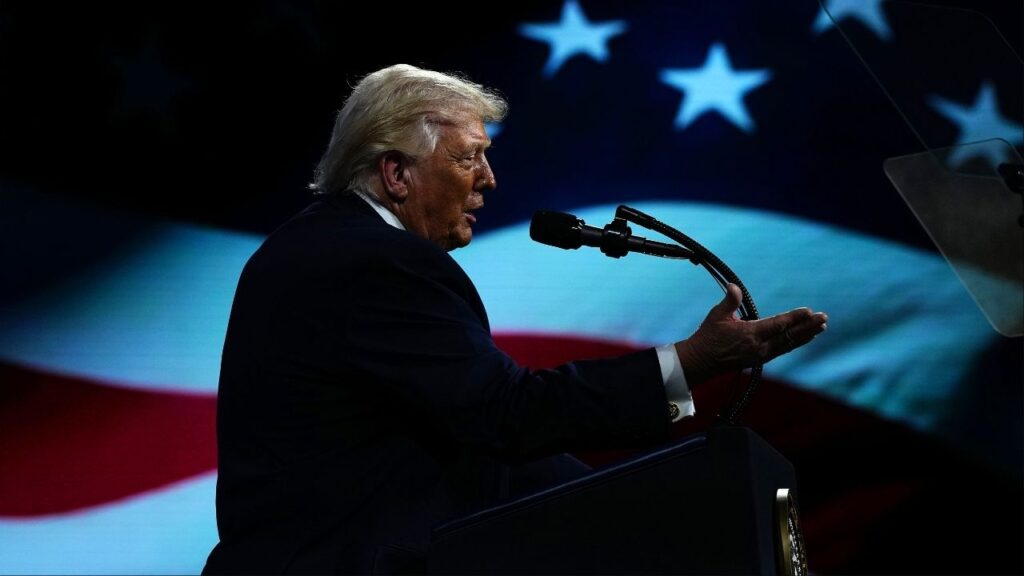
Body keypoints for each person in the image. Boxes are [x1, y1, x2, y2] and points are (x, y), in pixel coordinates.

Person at [201, 64, 828, 575]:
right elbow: (505, 415)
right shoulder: (376, 260)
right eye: (469, 158)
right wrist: (690, 364)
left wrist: (648, 501)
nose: (489, 180)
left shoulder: (317, 247)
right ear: (397, 174)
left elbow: (471, 447)